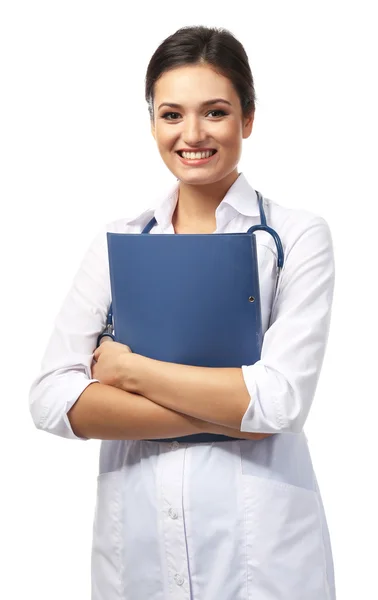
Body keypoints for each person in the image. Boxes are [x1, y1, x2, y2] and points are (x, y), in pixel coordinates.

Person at [29, 25, 336, 600]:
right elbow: (51, 399)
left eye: (215, 112)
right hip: (140, 543)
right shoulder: (118, 241)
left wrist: (126, 374)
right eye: (171, 115)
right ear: (152, 124)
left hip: (263, 551)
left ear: (247, 119)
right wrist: (231, 418)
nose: (192, 134)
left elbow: (279, 400)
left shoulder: (295, 237)